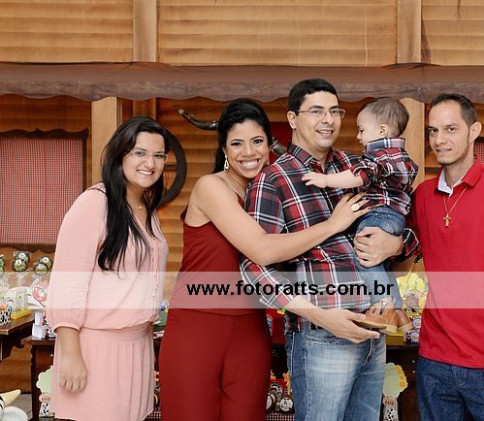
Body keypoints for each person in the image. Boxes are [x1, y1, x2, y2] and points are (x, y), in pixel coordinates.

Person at [158, 99, 367, 421]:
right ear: (224, 150)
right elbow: (261, 249)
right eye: (236, 143)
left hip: (252, 328)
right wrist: (332, 224)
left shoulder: (273, 193)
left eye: (257, 141)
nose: (248, 152)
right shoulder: (211, 187)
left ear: (269, 145)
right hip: (197, 326)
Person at [240, 79, 417, 421]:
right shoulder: (274, 179)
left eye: (335, 111)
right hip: (323, 336)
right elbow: (253, 268)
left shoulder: (358, 168)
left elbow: (404, 224)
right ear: (293, 118)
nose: (329, 119)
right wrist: (319, 315)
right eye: (317, 111)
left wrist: (395, 244)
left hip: (373, 332)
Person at [409, 93, 484, 420]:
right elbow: (402, 250)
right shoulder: (423, 195)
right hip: (434, 359)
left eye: (451, 129)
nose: (439, 140)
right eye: (433, 131)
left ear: (474, 130)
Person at [46, 116, 171, 421]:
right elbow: (68, 284)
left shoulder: (146, 207)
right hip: (96, 347)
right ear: (120, 154)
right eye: (140, 153)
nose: (150, 163)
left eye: (158, 155)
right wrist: (71, 356)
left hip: (138, 346)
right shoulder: (93, 203)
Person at [302, 98, 418, 333]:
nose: (357, 136)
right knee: (380, 263)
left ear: (382, 130)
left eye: (362, 130)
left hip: (380, 215)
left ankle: (382, 307)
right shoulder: (400, 155)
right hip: (393, 217)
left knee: (364, 256)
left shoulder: (381, 156)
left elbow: (358, 176)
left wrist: (325, 180)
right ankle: (398, 313)